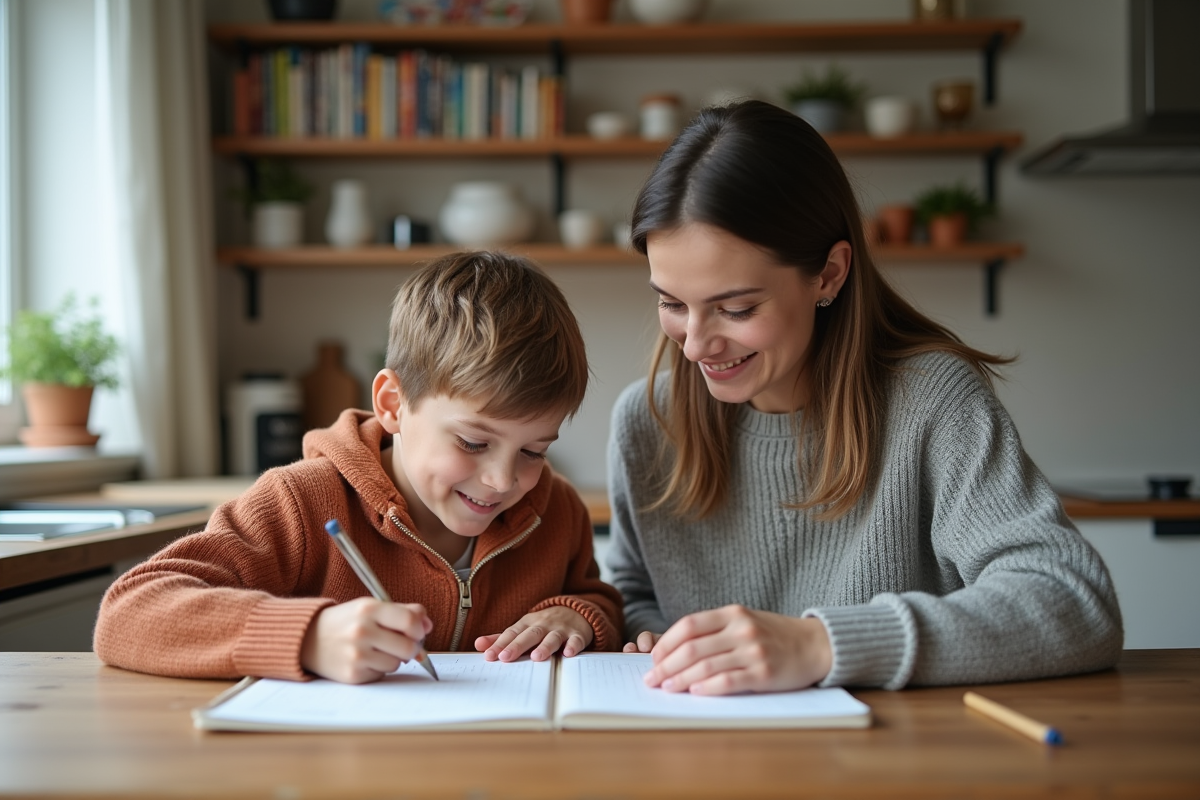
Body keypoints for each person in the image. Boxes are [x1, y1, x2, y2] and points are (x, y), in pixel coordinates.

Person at [608, 100, 1122, 695]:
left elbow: (1073, 602)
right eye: (671, 303)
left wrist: (820, 645)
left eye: (736, 308)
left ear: (828, 273)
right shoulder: (648, 420)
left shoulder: (932, 402)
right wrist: (642, 633)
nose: (695, 345)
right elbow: (636, 595)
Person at [95, 251, 622, 683]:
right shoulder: (299, 503)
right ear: (393, 405)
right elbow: (131, 611)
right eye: (472, 441)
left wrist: (576, 615)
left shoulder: (556, 512)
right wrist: (309, 635)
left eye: (534, 451)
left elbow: (596, 596)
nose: (504, 480)